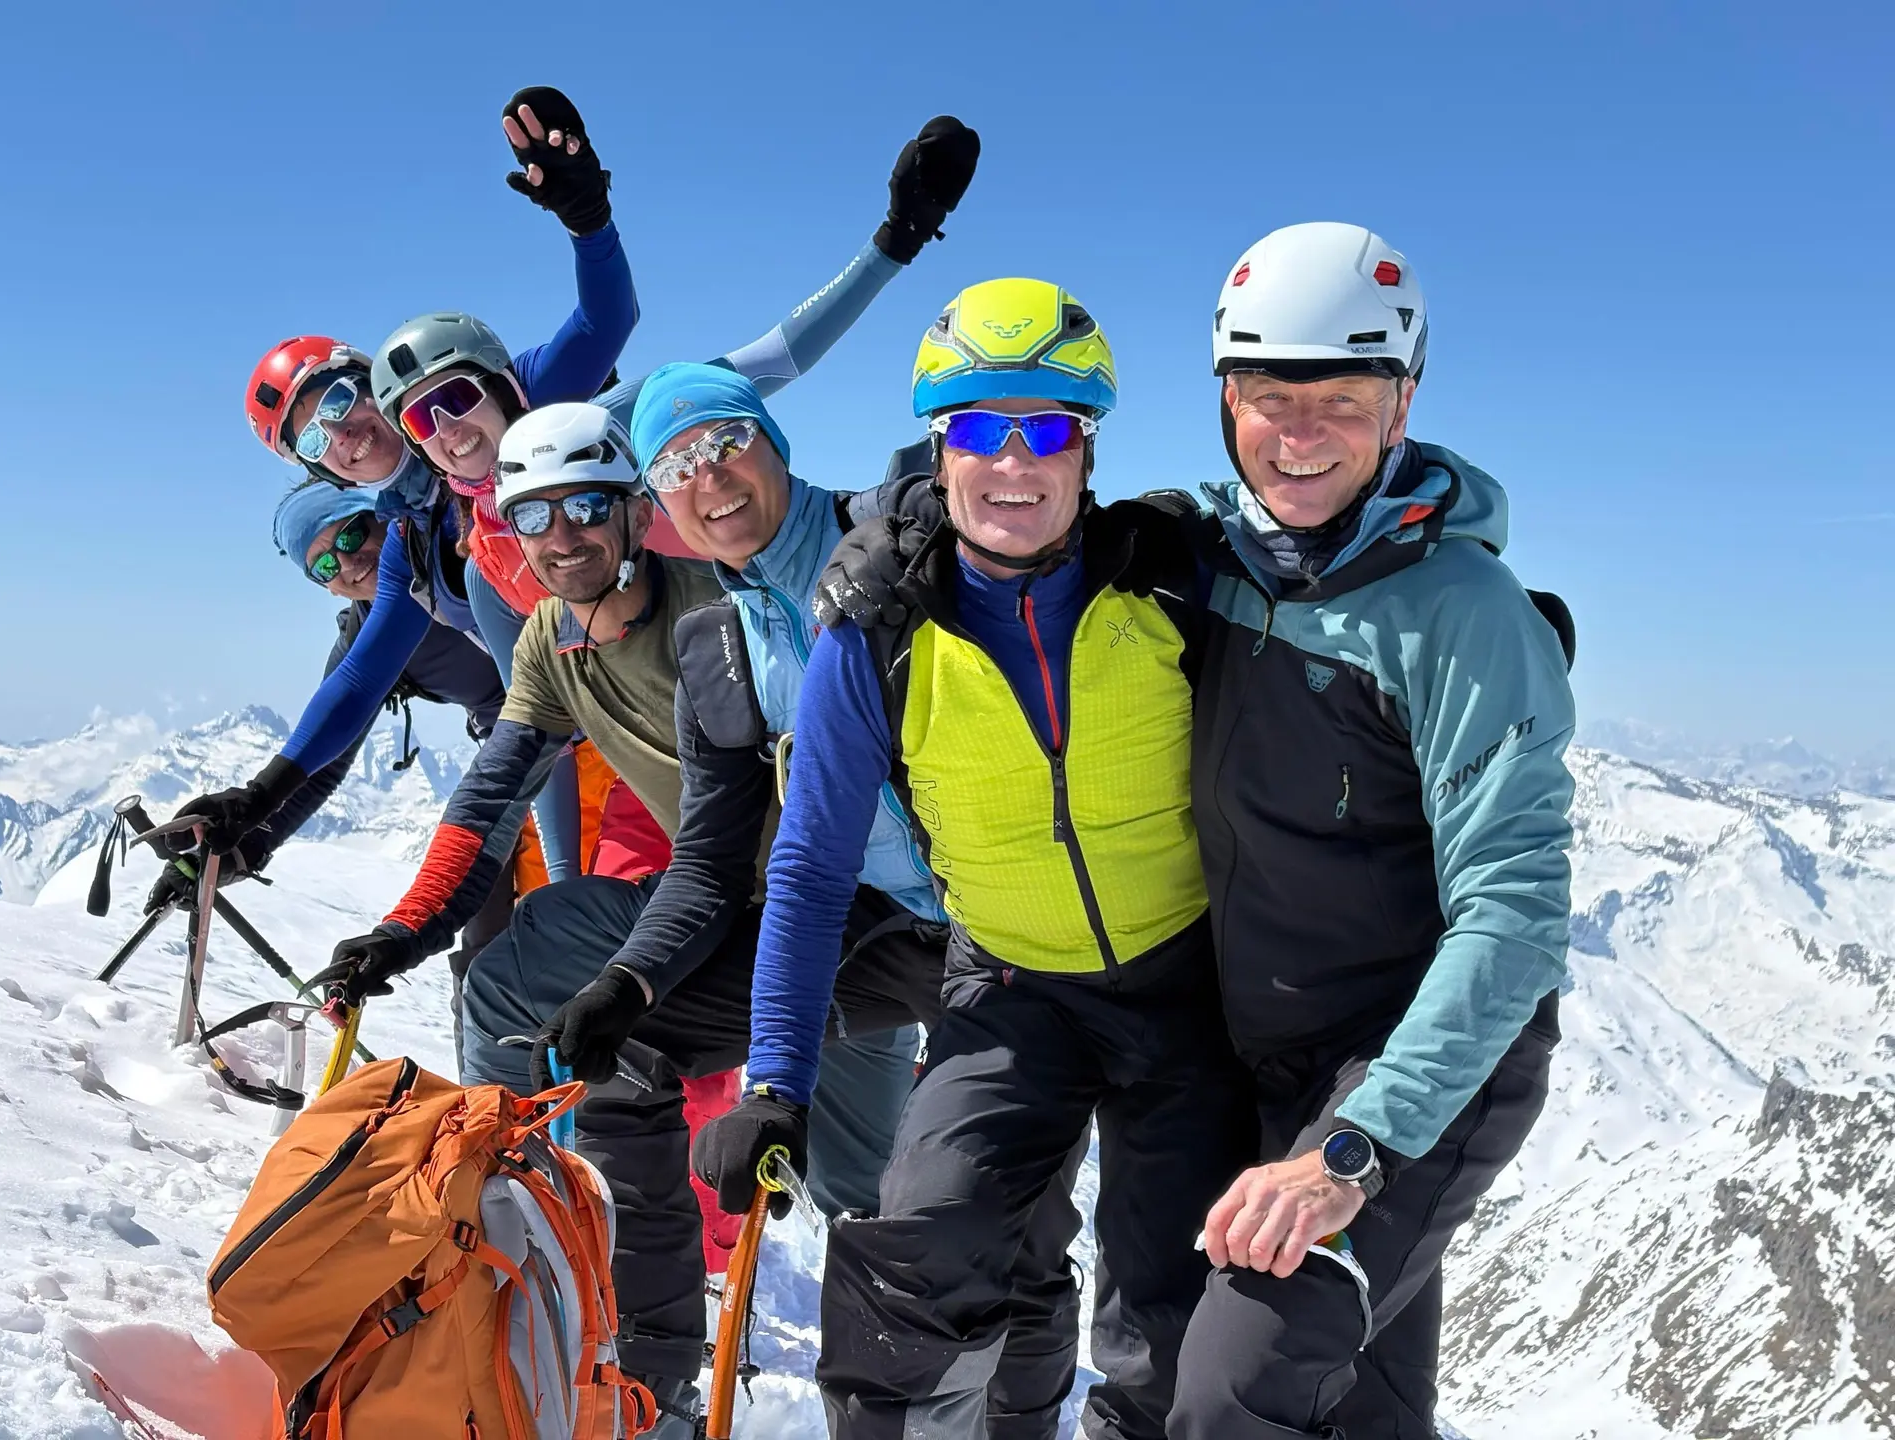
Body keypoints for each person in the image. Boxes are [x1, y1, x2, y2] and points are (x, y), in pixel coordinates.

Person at [814, 229, 1580, 1440]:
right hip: (1264, 1053)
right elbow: (1025, 518)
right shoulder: (1208, 563)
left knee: (1231, 1394)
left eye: (1344, 398)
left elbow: (1518, 913)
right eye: (1272, 397)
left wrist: (1353, 1148)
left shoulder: (1464, 612)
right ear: (1226, 402)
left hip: (1406, 1068)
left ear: (1404, 403)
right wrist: (898, 527)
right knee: (1357, 1402)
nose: (1303, 431)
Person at [311, 395, 956, 1439]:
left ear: (630, 511)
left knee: (868, 1187)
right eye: (535, 517)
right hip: (727, 920)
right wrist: (409, 928)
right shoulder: (550, 646)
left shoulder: (714, 598)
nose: (562, 540)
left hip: (857, 913)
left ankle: (929, 1394)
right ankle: (643, 1377)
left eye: (585, 509)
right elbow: (492, 797)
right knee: (594, 1019)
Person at [693, 280, 1248, 1440]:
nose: (1014, 461)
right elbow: (808, 865)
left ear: (1086, 447)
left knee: (1172, 1321)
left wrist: (1480, 618)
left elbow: (1327, 584)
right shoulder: (878, 632)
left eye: (1046, 426)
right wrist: (775, 1083)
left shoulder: (1171, 581)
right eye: (980, 428)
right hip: (1006, 995)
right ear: (937, 449)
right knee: (918, 1252)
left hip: (1184, 993)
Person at [185, 112, 980, 885]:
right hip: (690, 736)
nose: (350, 436)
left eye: (336, 406)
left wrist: (894, 242)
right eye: (317, 444)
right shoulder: (452, 555)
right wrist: (260, 807)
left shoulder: (572, 422)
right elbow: (468, 709)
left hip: (808, 642)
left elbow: (750, 358)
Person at [145, 481, 513, 1054]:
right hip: (516, 761)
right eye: (323, 565)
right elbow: (324, 759)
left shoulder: (453, 557)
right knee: (488, 964)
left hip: (564, 741)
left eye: (349, 534)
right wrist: (241, 845)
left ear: (379, 518)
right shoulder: (364, 637)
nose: (347, 561)